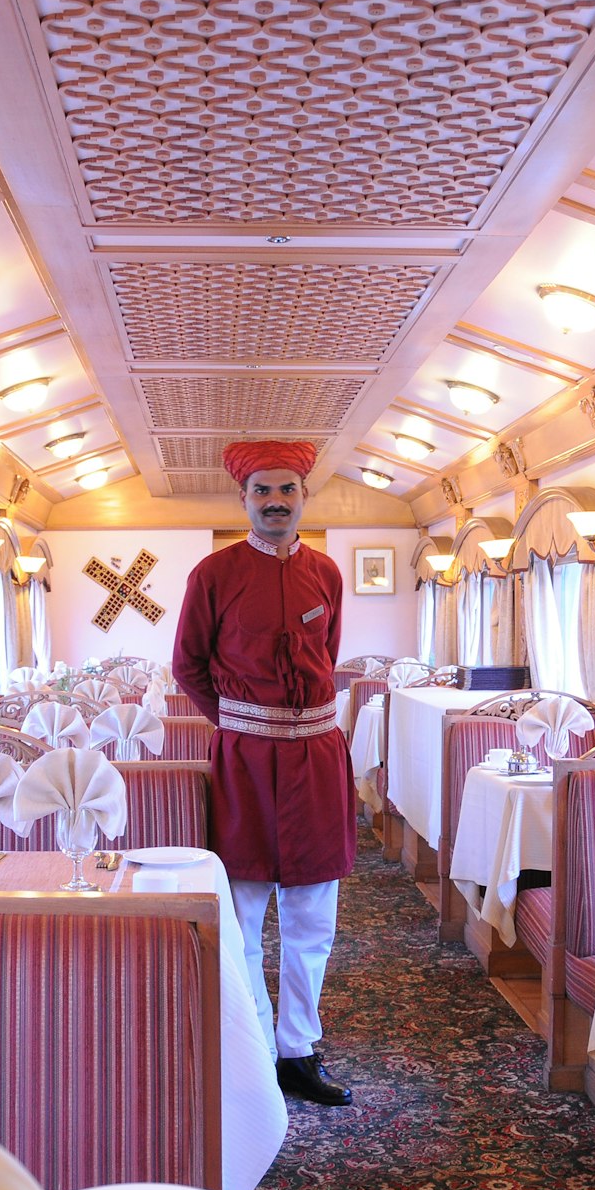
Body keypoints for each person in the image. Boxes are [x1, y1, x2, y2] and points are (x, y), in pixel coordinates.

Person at [172, 439, 357, 1106]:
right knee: (244, 911)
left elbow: (327, 657)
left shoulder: (328, 574)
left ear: (304, 496)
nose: (275, 501)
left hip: (317, 759)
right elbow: (187, 666)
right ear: (243, 499)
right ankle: (250, 1043)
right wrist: (241, 723)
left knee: (314, 915)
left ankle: (298, 1050)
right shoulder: (213, 574)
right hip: (245, 764)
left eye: (287, 490)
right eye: (262, 491)